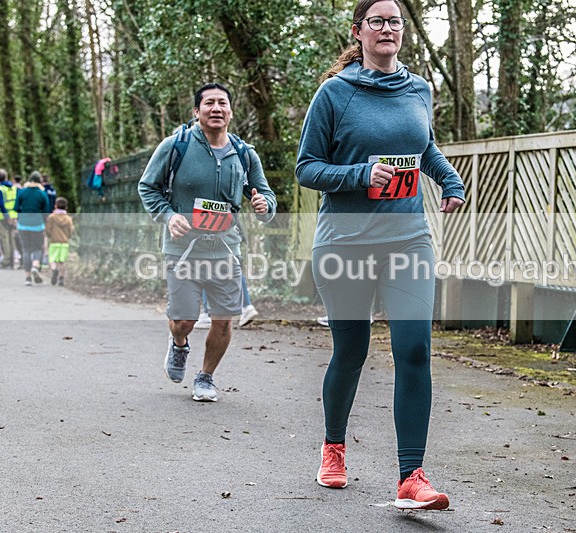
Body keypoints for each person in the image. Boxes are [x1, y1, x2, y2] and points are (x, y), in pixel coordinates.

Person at [296, 0, 465, 510]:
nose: (388, 28)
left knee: (414, 349)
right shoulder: (335, 93)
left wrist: (449, 179)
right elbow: (307, 168)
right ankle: (333, 447)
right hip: (345, 242)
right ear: (359, 31)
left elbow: (423, 147)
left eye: (396, 21)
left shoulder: (419, 89)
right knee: (351, 351)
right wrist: (358, 175)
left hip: (408, 238)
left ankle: (411, 476)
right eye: (378, 21)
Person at [139, 82, 276, 402]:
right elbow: (148, 188)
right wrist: (169, 216)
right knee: (184, 320)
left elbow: (266, 195)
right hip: (183, 248)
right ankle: (179, 344)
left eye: (222, 103)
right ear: (196, 111)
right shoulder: (175, 146)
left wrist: (264, 206)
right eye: (209, 103)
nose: (216, 108)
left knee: (223, 319)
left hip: (226, 248)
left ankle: (206, 377)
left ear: (230, 111)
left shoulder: (244, 154)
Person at [13, 171, 49, 285]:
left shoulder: (22, 192)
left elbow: (16, 207)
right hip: (37, 224)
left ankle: (28, 277)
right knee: (38, 247)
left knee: (26, 249)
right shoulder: (42, 194)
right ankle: (35, 265)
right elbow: (46, 211)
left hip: (23, 224)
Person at [45, 197, 74, 286]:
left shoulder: (51, 217)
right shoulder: (68, 219)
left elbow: (48, 229)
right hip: (64, 242)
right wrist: (67, 237)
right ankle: (61, 278)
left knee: (52, 260)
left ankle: (54, 270)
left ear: (55, 206)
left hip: (54, 241)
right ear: (66, 207)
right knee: (62, 261)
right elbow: (70, 231)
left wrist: (50, 236)